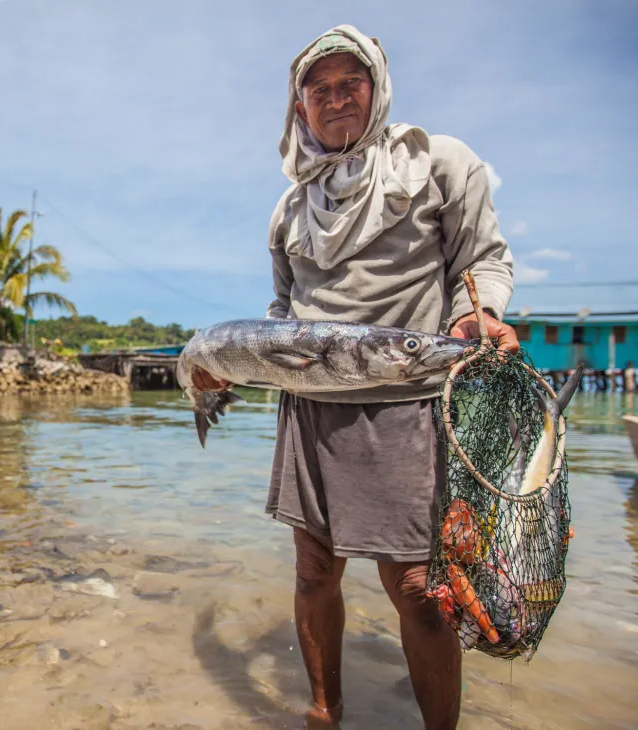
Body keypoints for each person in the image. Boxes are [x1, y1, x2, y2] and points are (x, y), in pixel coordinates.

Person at [193, 25, 518, 730]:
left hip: (410, 403)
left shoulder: (438, 163)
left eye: (351, 84)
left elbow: (484, 259)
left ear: (377, 88)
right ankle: (324, 710)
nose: (336, 100)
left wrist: (481, 314)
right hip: (311, 408)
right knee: (314, 571)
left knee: (420, 589)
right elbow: (282, 316)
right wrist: (230, 370)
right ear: (299, 107)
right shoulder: (289, 210)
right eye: (319, 90)